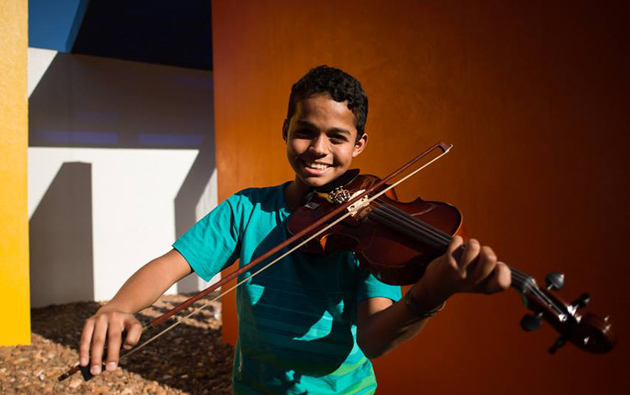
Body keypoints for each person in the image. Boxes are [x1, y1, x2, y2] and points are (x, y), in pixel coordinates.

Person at [79, 65, 511, 394]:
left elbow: (376, 338)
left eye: (337, 138)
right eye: (305, 132)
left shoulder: (372, 228)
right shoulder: (246, 209)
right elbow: (171, 265)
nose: (319, 149)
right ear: (286, 131)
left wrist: (429, 294)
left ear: (359, 144)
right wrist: (118, 306)